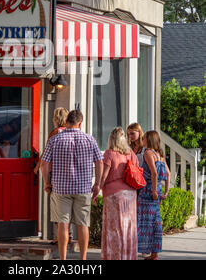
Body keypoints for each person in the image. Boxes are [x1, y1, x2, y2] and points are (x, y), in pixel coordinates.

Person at [40, 110, 104, 260]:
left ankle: (63, 259)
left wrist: (46, 182)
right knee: (82, 224)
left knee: (63, 224)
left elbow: (44, 164)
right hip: (82, 188)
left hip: (61, 188)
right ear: (80, 123)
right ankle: (82, 259)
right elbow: (99, 162)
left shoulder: (55, 139)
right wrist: (98, 184)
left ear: (67, 121)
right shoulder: (90, 139)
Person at [93, 127, 139, 260]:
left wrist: (96, 190)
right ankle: (128, 256)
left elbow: (103, 176)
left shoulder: (109, 153)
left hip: (114, 195)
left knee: (115, 228)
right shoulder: (130, 153)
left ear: (111, 139)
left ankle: (115, 256)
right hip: (130, 194)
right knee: (128, 228)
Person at [34, 107, 69, 244]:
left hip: (56, 172)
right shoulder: (70, 132)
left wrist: (37, 167)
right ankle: (68, 235)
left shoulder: (55, 133)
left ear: (56, 118)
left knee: (57, 205)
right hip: (69, 173)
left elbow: (47, 154)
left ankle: (59, 237)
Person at [137, 130, 171, 260]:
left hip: (148, 192)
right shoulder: (160, 154)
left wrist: (154, 192)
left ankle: (146, 252)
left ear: (149, 139)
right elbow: (168, 174)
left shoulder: (148, 153)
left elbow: (154, 173)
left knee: (144, 222)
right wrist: (166, 192)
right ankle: (154, 254)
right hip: (157, 191)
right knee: (156, 222)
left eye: (144, 138)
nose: (142, 140)